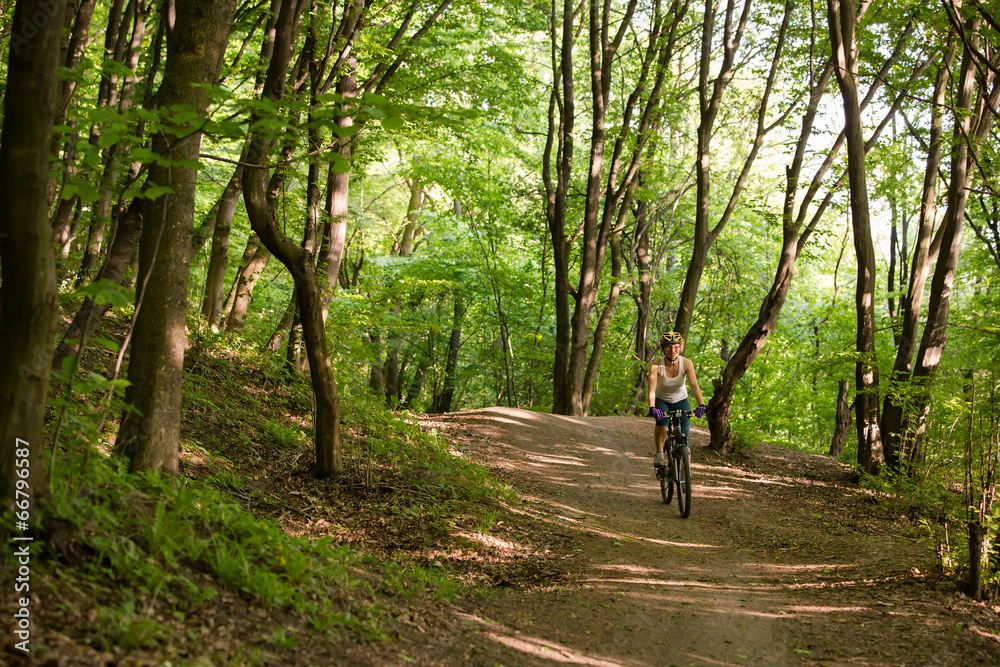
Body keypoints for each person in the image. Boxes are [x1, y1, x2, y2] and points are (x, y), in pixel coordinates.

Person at [647, 331, 706, 468]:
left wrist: (701, 404)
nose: (672, 350)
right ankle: (660, 453)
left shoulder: (686, 363)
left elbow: (694, 385)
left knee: (685, 439)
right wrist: (652, 407)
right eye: (668, 346)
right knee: (662, 422)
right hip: (662, 399)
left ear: (680, 347)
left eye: (676, 346)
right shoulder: (656, 365)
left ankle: (686, 477)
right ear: (663, 348)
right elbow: (651, 389)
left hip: (681, 399)